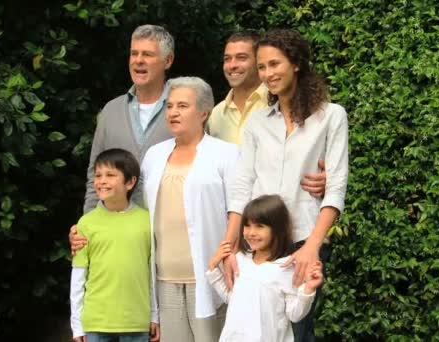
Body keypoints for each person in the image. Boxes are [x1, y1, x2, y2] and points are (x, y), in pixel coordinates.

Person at [223, 29, 349, 342]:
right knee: (256, 327)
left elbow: (335, 188)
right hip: (258, 244)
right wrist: (229, 245)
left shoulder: (331, 117)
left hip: (302, 243)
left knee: (298, 329)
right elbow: (242, 185)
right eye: (262, 67)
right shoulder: (257, 122)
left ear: (296, 64)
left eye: (275, 64)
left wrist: (312, 246)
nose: (267, 74)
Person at [139, 76, 238, 342]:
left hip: (209, 276)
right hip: (164, 277)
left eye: (182, 106)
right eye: (170, 106)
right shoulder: (153, 155)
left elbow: (238, 210)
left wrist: (229, 252)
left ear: (204, 112)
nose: (173, 112)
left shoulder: (226, 154)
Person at [208, 30, 327, 197]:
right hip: (229, 214)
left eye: (242, 58)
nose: (232, 65)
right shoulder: (215, 115)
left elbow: (324, 162)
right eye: (227, 59)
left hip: (276, 213)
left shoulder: (286, 105)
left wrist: (327, 179)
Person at [83, 24, 175, 213]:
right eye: (134, 54)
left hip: (168, 228)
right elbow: (95, 173)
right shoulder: (111, 110)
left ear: (168, 61)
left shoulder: (183, 108)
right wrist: (88, 224)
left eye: (147, 55)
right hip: (118, 230)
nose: (138, 61)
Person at [70, 148, 159, 342]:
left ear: (130, 182)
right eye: (99, 175)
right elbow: (78, 276)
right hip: (96, 323)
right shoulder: (86, 223)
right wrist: (77, 325)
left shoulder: (147, 221)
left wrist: (154, 315)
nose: (102, 181)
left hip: (136, 322)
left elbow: (151, 273)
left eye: (110, 175)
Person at [207, 194, 324, 342]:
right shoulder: (240, 260)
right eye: (247, 225)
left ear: (277, 229)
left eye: (259, 226)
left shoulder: (286, 267)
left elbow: (294, 315)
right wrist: (213, 269)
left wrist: (308, 289)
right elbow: (233, 299)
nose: (251, 232)